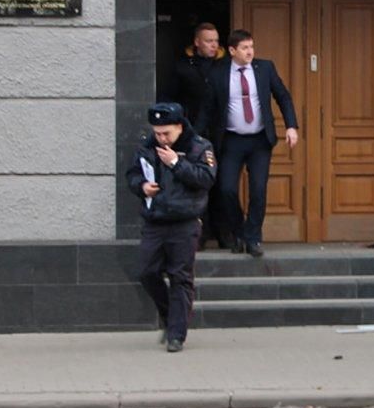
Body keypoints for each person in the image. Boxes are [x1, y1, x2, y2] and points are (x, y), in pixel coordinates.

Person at [197, 29, 299, 258]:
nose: (250, 51)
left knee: (258, 190)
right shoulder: (218, 73)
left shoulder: (265, 68)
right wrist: (194, 137)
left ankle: (252, 238)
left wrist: (291, 126)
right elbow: (207, 108)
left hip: (259, 140)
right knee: (226, 189)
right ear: (232, 50)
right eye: (244, 48)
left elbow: (282, 96)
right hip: (231, 141)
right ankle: (239, 232)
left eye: (251, 46)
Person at [125, 102, 217, 353]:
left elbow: (206, 179)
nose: (162, 138)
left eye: (167, 133)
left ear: (179, 126)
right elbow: (132, 174)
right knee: (146, 272)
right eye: (157, 133)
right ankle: (171, 316)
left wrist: (177, 163)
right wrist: (141, 186)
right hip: (155, 220)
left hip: (184, 221)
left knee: (180, 277)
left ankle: (177, 334)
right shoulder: (148, 147)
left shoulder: (198, 146)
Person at [165, 22, 225, 248]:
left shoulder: (225, 66)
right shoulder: (183, 66)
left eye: (216, 41)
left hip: (222, 132)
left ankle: (223, 233)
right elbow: (169, 96)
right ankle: (199, 233)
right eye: (209, 41)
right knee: (195, 182)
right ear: (197, 42)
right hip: (193, 133)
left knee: (222, 184)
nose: (213, 45)